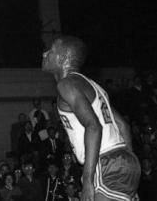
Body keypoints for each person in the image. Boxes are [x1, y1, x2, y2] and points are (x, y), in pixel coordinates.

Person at [42, 35, 141, 201]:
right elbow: (123, 125)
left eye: (51, 51)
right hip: (124, 158)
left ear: (63, 58)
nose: (45, 54)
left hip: (105, 161)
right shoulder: (94, 86)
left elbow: (93, 126)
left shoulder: (66, 84)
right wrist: (130, 168)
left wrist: (87, 180)